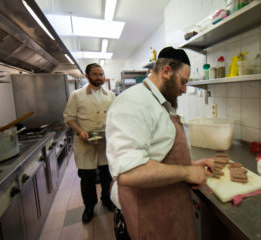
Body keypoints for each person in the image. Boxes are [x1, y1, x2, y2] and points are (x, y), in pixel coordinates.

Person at [106, 47, 215, 240]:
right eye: (183, 82)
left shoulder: (160, 103)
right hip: (145, 215)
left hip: (167, 211)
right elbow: (129, 172)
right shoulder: (133, 103)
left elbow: (157, 152)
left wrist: (191, 165)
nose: (184, 90)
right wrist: (187, 172)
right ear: (166, 71)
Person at [64, 63, 116, 224]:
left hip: (105, 143)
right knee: (87, 179)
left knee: (107, 176)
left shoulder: (110, 95)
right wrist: (80, 131)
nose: (99, 77)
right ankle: (89, 207)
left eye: (101, 74)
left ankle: (107, 200)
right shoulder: (76, 95)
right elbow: (69, 118)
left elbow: (115, 117)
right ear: (87, 76)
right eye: (95, 74)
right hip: (85, 143)